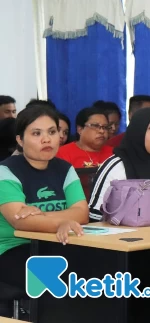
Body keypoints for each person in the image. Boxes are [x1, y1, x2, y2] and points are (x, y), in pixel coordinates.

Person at [0, 105, 89, 317]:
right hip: (12, 250)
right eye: (36, 133)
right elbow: (21, 221)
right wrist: (61, 222)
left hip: (56, 244)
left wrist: (44, 217)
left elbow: (82, 213)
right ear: (20, 140)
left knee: (101, 270)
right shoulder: (6, 171)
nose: (47, 139)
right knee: (64, 283)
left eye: (52, 131)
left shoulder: (64, 169)